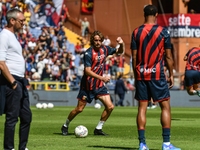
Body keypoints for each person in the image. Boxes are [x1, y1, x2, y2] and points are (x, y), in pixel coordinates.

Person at [131, 5, 181, 150]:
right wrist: (171, 74)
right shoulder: (163, 32)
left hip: (141, 73)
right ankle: (166, 144)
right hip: (157, 74)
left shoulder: (136, 32)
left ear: (144, 14)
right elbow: (169, 56)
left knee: (142, 108)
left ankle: (142, 144)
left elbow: (134, 58)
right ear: (157, 15)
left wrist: (136, 76)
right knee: (165, 106)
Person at [61, 30, 124, 136]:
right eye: (96, 40)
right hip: (88, 86)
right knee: (79, 109)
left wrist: (121, 44)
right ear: (92, 41)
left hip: (99, 86)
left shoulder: (105, 49)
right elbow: (87, 71)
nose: (98, 42)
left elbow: (119, 52)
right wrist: (102, 78)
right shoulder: (88, 53)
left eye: (100, 40)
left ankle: (98, 129)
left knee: (110, 107)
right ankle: (65, 125)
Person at [0, 8, 32, 150]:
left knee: (26, 116)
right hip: (12, 81)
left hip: (20, 81)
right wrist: (13, 82)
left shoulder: (12, 36)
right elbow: (1, 62)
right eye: (21, 21)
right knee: (12, 117)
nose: (24, 23)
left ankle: (22, 147)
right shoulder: (4, 36)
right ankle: (9, 148)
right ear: (12, 21)